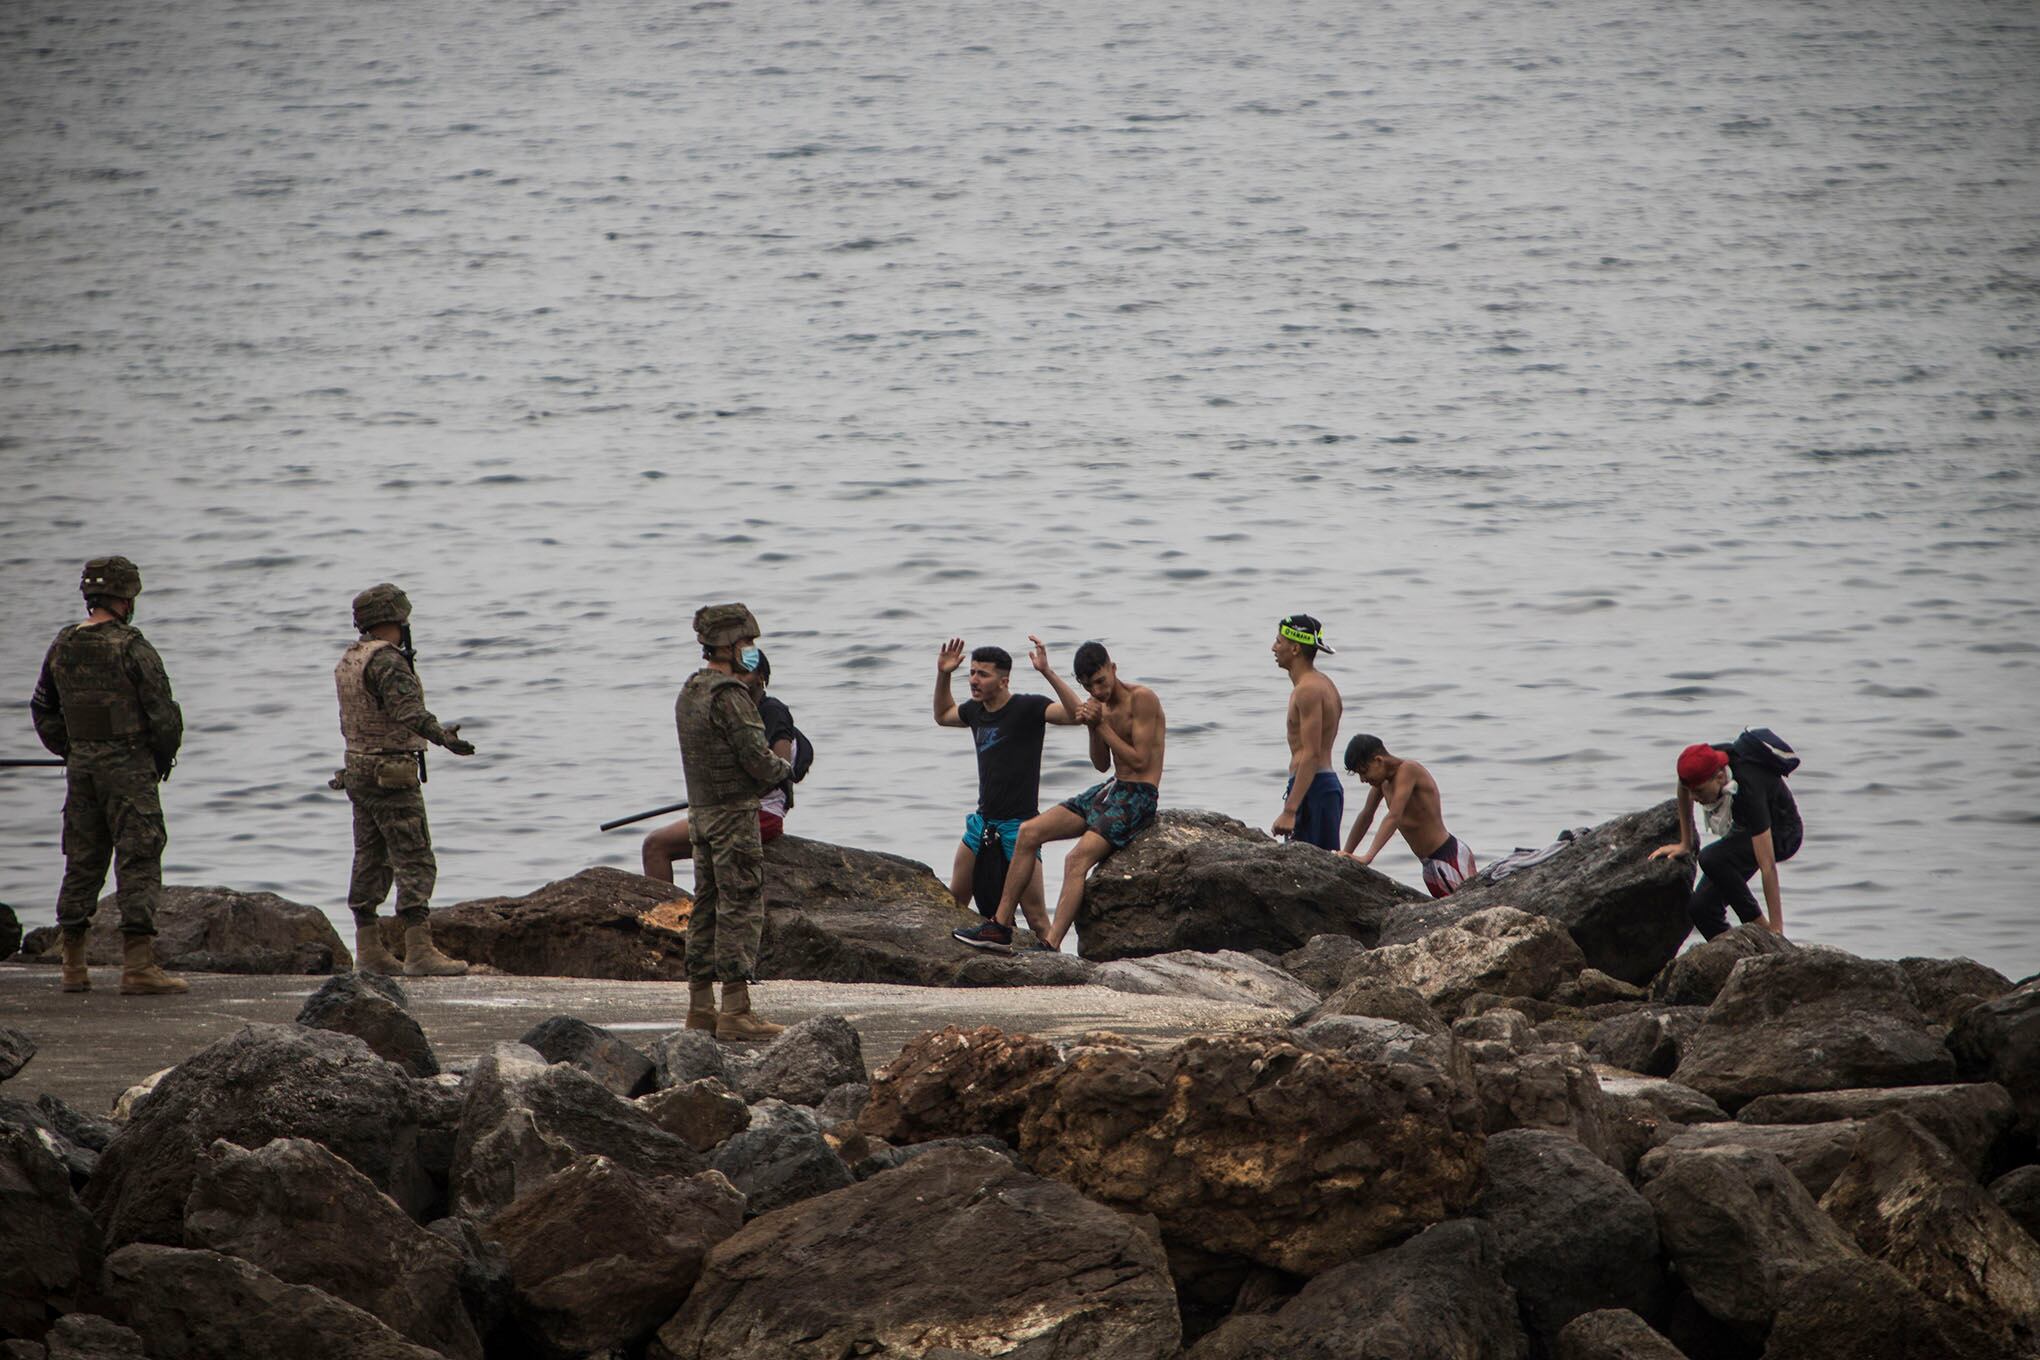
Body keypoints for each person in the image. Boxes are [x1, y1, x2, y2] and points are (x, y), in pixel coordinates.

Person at [29, 556, 187, 995]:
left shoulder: (62, 645)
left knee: (82, 858)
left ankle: (73, 966)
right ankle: (138, 966)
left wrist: (73, 748)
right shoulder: (132, 647)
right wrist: (157, 760)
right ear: (125, 597)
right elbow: (165, 717)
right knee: (138, 857)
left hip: (81, 769)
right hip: (130, 769)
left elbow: (42, 708)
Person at [954, 641, 1165, 952]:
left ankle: (1051, 944)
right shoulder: (1099, 705)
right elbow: (1101, 764)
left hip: (1140, 795)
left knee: (1075, 859)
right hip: (1111, 786)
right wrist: (1093, 726)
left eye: (1101, 681)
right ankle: (999, 927)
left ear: (1113, 669)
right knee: (1028, 832)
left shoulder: (1142, 698)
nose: (1097, 690)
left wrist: (1100, 725)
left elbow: (1139, 761)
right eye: (1089, 686)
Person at [335, 584, 475, 979]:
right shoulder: (387, 662)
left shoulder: (351, 659)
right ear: (393, 620)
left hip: (358, 768)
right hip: (390, 773)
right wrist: (443, 737)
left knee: (369, 857)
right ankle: (418, 951)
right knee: (414, 858)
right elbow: (407, 710)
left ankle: (368, 949)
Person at [676, 602, 795, 1040]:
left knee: (704, 907)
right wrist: (787, 770)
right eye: (746, 643)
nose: (750, 650)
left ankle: (700, 1008)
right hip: (732, 819)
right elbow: (758, 762)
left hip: (700, 817)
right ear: (727, 645)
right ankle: (737, 1011)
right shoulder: (731, 696)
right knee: (740, 908)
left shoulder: (691, 690)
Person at [932, 635, 1087, 935]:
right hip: (982, 823)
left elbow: (1075, 715)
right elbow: (942, 715)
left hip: (1021, 829)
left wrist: (1047, 672)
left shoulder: (1027, 708)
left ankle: (1056, 967)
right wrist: (944, 674)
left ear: (1003, 681)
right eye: (972, 673)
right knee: (955, 901)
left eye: (983, 674)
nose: (974, 680)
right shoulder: (975, 711)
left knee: (1036, 916)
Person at [643, 650, 800, 883]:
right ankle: (674, 913)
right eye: (735, 671)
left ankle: (666, 917)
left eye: (746, 672)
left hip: (760, 814)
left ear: (761, 678)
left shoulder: (772, 711)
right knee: (657, 846)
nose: (738, 678)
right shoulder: (736, 712)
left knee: (655, 846)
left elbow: (780, 768)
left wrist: (729, 793)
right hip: (730, 810)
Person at [1649, 729, 1803, 939]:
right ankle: (1744, 957)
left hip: (1783, 832)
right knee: (1701, 908)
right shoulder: (1705, 762)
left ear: (1720, 777)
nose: (1694, 797)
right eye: (1692, 791)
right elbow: (1683, 786)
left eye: (1700, 791)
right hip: (1744, 828)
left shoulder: (1749, 787)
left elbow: (1767, 866)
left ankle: (1763, 932)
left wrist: (1776, 929)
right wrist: (1685, 843)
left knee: (1712, 858)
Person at [1342, 734, 1476, 897]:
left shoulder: (1408, 770)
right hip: (1428, 865)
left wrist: (1368, 857)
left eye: (1364, 772)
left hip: (1448, 858)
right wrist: (1344, 853)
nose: (1363, 779)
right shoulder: (1382, 783)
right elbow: (1366, 815)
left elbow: (1394, 816)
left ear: (1378, 760)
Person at [1270, 614, 1344, 850]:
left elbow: (1311, 753)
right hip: (1322, 787)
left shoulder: (1308, 690)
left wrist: (1290, 811)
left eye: (1279, 642)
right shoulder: (1325, 684)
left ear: (1295, 648)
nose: (1273, 647)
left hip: (1314, 789)